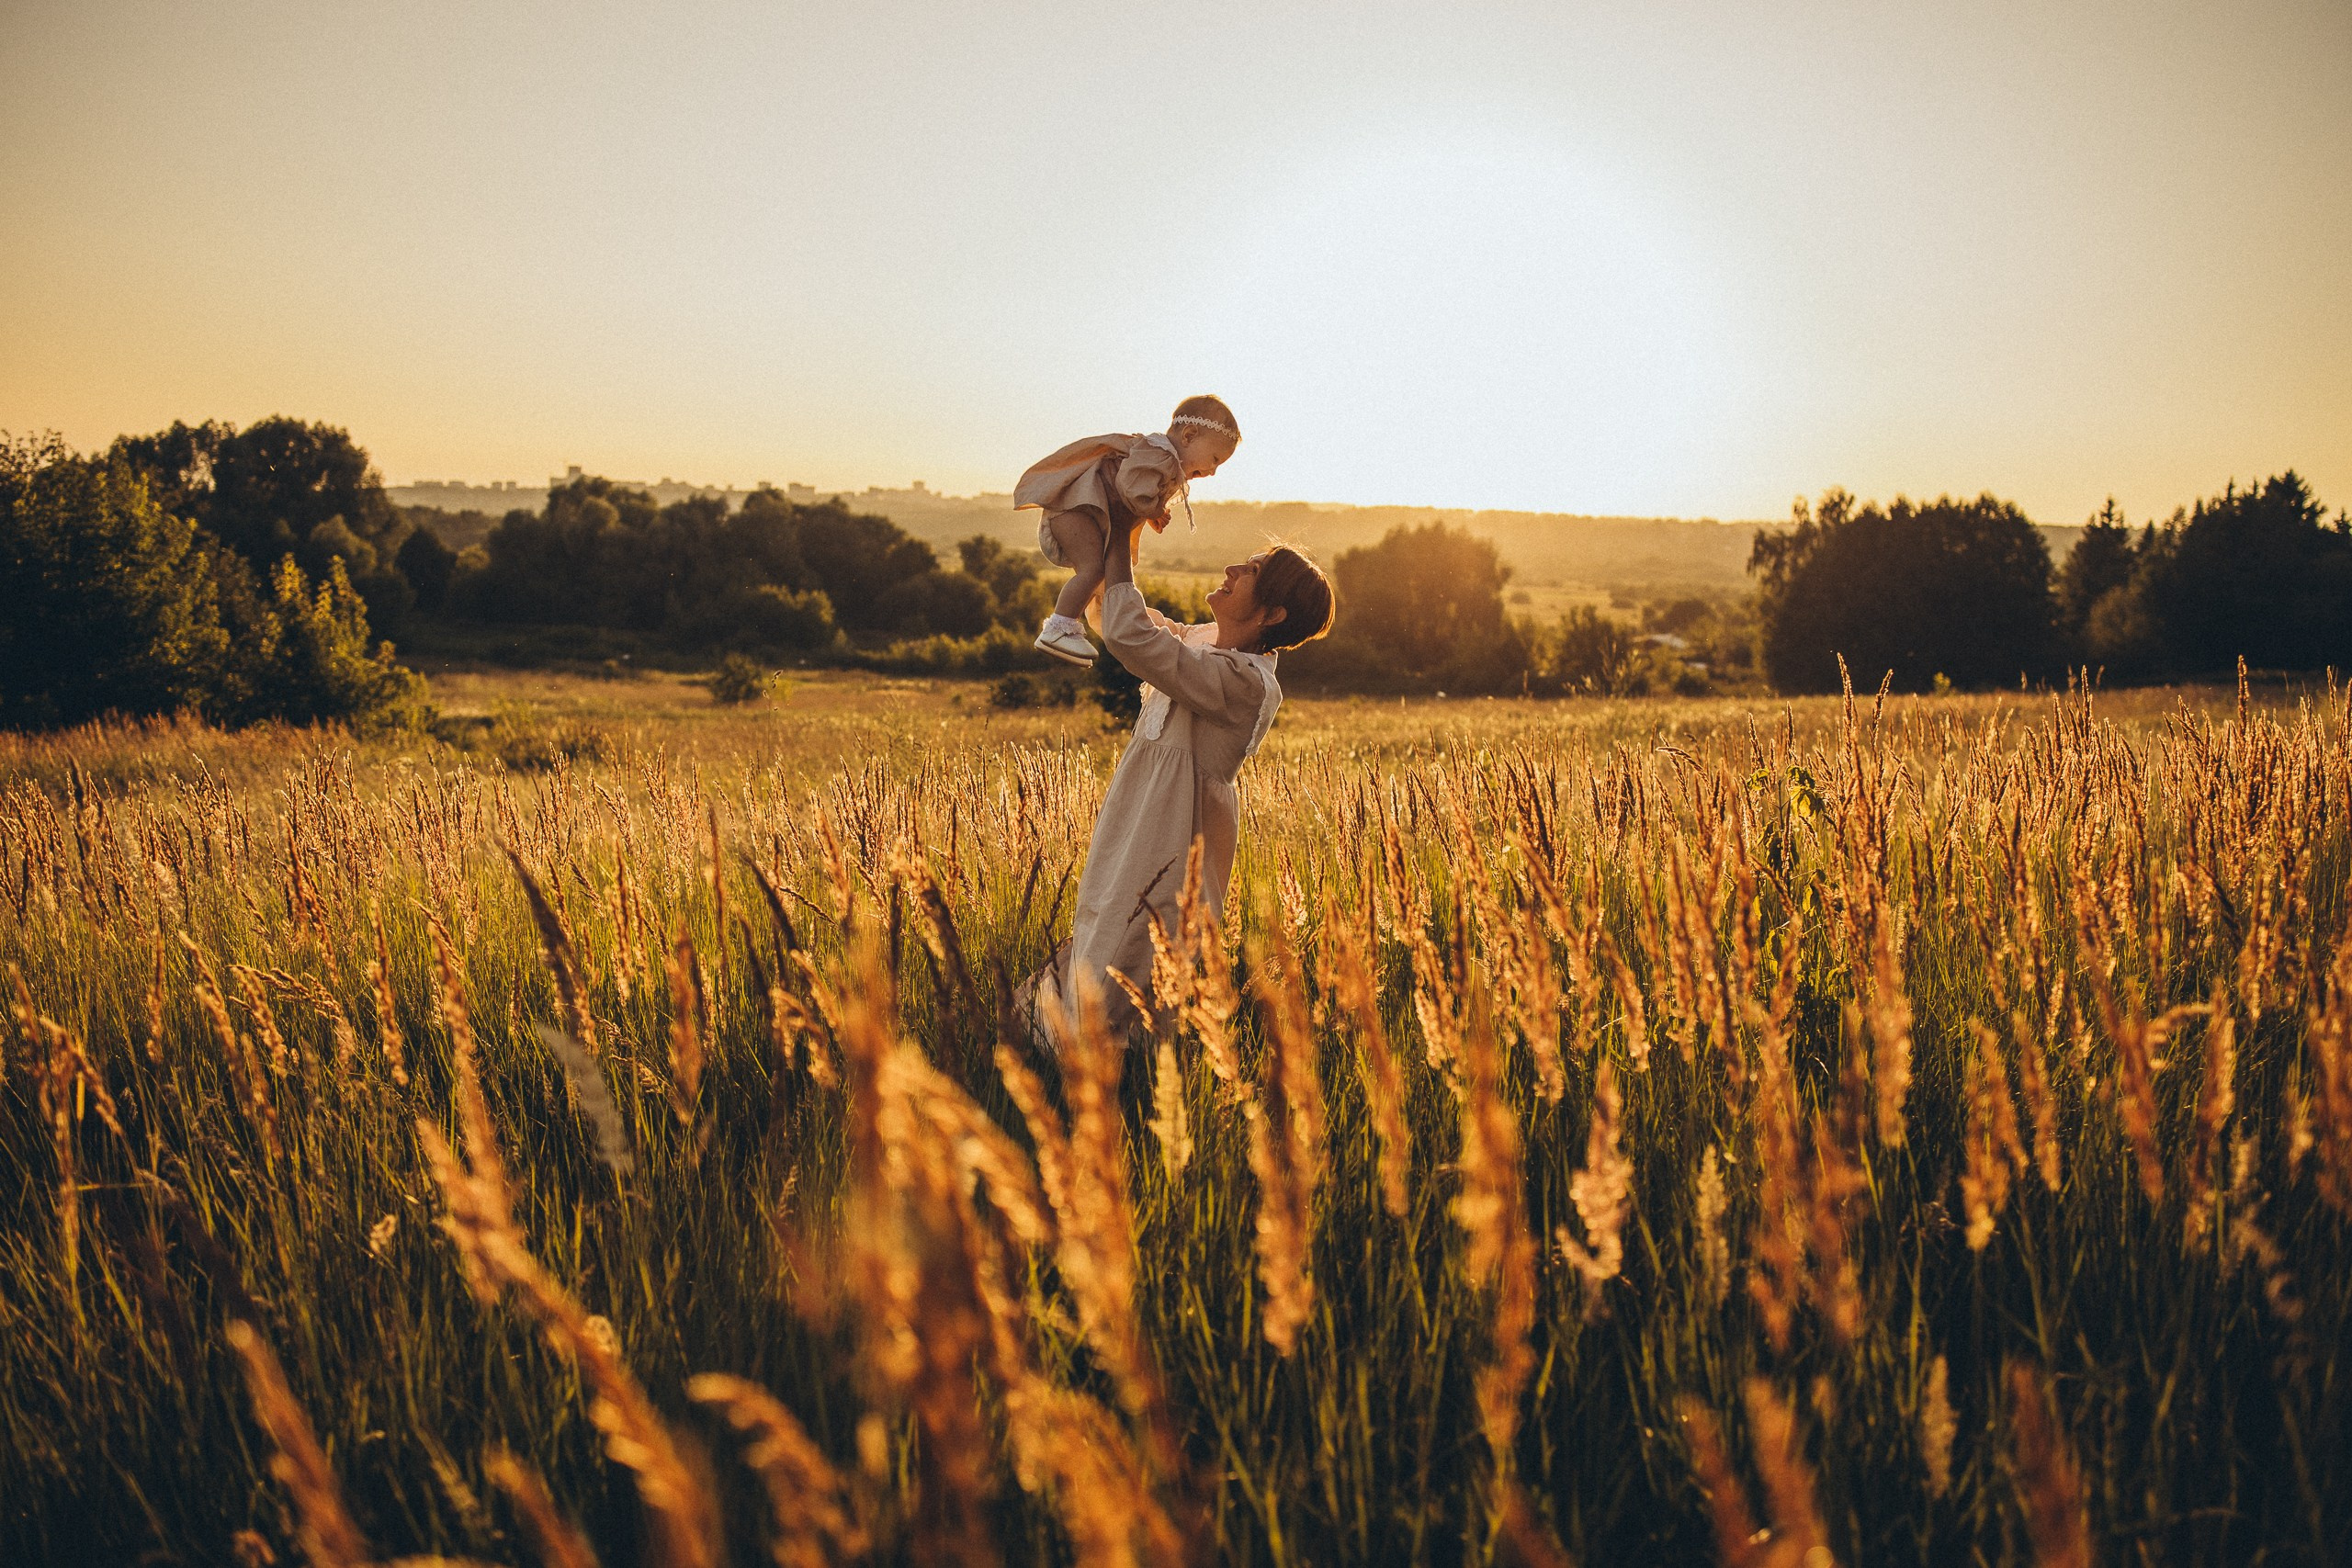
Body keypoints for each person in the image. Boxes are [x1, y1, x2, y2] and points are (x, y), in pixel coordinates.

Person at [1040, 513, 1334, 1043]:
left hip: (1173, 834)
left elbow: (1136, 639)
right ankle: (1072, 1049)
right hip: (1138, 813)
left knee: (1138, 942)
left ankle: (1115, 1065)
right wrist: (1118, 526)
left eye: (1250, 571)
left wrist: (1124, 533)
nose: (1231, 568)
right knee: (1104, 917)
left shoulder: (1244, 682)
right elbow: (1118, 617)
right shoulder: (1202, 641)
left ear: (1271, 612)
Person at [1013, 394, 1241, 666]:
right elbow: (1130, 487)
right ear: (1189, 436)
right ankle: (1058, 628)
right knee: (1093, 569)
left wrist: (1152, 511)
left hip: (1084, 514)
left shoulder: (1162, 462)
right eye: (1214, 459)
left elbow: (1132, 497)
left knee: (1104, 579)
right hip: (1074, 511)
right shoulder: (1159, 453)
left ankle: (1087, 632)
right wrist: (1152, 509)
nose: (1213, 471)